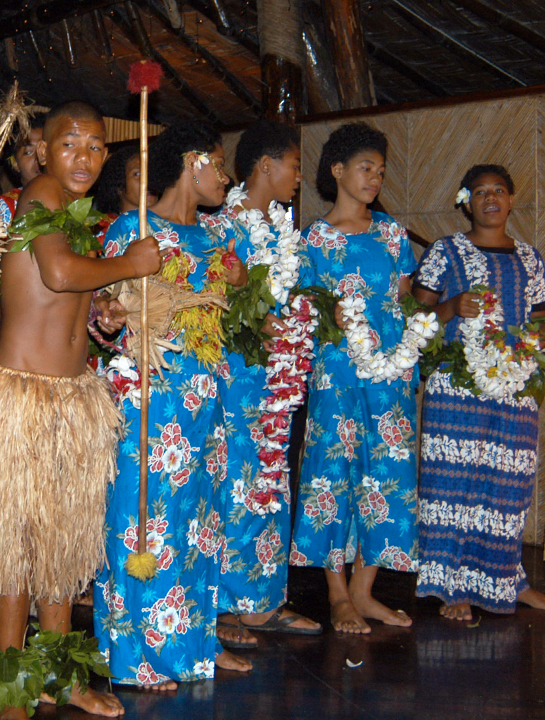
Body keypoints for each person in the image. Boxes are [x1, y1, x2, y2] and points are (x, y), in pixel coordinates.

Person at [0, 101, 160, 720]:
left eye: (96, 146)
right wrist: (131, 264)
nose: (85, 157)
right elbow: (56, 271)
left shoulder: (75, 214)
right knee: (18, 548)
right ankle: (12, 686)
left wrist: (103, 310)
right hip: (23, 396)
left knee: (61, 546)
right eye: (71, 143)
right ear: (44, 150)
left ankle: (59, 674)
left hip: (71, 396)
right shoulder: (41, 194)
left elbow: (64, 292)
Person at [93, 122, 252, 688]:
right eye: (219, 164)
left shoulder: (217, 239)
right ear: (192, 160)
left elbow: (232, 322)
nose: (225, 177)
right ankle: (136, 656)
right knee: (143, 522)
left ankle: (195, 645)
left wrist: (241, 284)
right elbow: (103, 313)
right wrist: (111, 316)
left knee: (198, 523)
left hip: (205, 403)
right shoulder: (132, 229)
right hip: (150, 398)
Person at [413, 164, 545, 621]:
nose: (490, 198)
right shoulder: (444, 252)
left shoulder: (531, 259)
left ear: (511, 200)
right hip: (455, 388)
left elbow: (541, 319)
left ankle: (506, 579)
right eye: (479, 192)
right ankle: (451, 584)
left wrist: (540, 338)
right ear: (466, 202)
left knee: (506, 488)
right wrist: (451, 307)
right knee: (453, 484)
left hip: (514, 386)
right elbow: (413, 316)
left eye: (499, 190)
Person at [291, 122, 421, 633]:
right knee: (333, 473)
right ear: (338, 170)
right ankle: (338, 595)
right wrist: (327, 314)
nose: (374, 179)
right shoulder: (313, 239)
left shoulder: (392, 233)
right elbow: (301, 306)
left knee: (385, 472)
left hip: (389, 374)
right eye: (366, 168)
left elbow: (404, 297)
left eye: (381, 172)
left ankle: (365, 592)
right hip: (337, 372)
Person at [207, 119, 322, 642]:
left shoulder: (283, 231)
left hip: (279, 377)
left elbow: (293, 296)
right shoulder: (223, 226)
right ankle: (224, 604)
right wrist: (256, 321)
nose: (299, 177)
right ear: (266, 165)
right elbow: (212, 299)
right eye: (294, 166)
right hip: (235, 377)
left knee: (271, 482)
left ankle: (263, 599)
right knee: (236, 482)